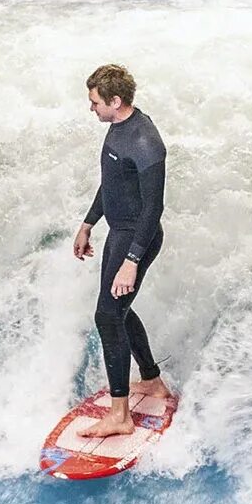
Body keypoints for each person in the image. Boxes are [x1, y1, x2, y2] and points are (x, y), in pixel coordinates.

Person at [73, 65, 172, 438]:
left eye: (96, 102)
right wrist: (88, 223)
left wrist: (131, 261)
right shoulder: (117, 128)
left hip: (137, 238)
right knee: (118, 310)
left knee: (107, 316)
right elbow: (112, 184)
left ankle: (120, 416)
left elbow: (153, 209)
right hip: (118, 233)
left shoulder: (146, 142)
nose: (92, 108)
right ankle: (152, 382)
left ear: (116, 101)